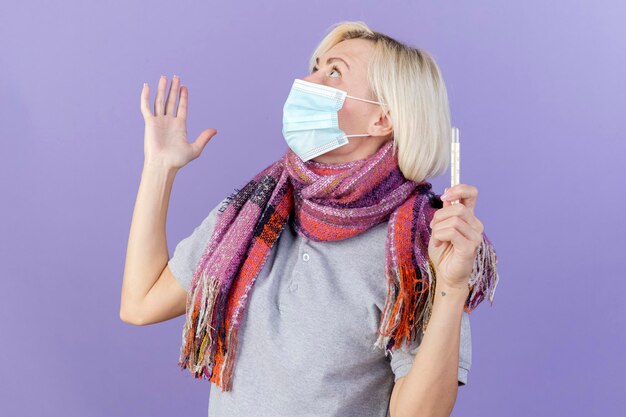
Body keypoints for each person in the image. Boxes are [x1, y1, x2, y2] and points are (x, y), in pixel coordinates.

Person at [120, 21, 499, 417]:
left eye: (333, 71)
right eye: (315, 66)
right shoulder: (254, 213)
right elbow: (140, 303)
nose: (306, 79)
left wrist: (452, 289)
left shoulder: (419, 247)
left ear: (382, 120)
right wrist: (159, 168)